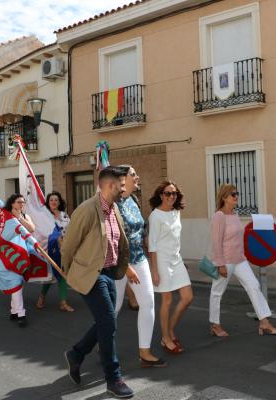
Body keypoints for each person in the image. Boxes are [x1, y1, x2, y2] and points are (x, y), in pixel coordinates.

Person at [61, 166, 134, 399]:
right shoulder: (86, 210)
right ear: (110, 185)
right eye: (122, 185)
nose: (124, 188)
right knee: (108, 323)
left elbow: (116, 242)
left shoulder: (114, 210)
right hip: (90, 274)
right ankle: (113, 379)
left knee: (106, 321)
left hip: (109, 272)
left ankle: (77, 354)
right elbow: (69, 245)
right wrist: (69, 273)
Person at [209, 184, 276, 337]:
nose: (236, 196)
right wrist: (220, 264)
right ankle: (215, 324)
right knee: (217, 292)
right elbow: (216, 242)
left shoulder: (234, 214)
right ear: (224, 197)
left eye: (237, 193)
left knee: (254, 286)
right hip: (225, 261)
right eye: (233, 194)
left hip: (240, 259)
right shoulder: (219, 216)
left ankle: (264, 322)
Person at [115, 165, 166, 368]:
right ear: (122, 180)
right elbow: (112, 238)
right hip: (119, 262)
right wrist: (125, 266)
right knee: (114, 307)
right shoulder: (112, 203)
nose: (137, 177)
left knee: (148, 303)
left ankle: (144, 352)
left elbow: (141, 230)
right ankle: (100, 342)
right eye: (133, 174)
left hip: (139, 257)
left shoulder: (134, 200)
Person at [148, 180, 193, 354]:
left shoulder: (176, 212)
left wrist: (182, 259)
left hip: (177, 259)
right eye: (167, 193)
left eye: (174, 193)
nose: (171, 196)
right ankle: (166, 338)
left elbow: (175, 238)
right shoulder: (155, 216)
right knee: (167, 300)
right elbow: (152, 245)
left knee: (187, 297)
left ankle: (170, 330)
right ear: (161, 195)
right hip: (162, 261)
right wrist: (154, 271)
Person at [37, 191, 74, 312]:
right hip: (48, 249)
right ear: (48, 202)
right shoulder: (44, 216)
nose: (54, 202)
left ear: (59, 202)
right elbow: (39, 232)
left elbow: (70, 230)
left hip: (62, 249)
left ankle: (63, 303)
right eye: (51, 200)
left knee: (62, 274)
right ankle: (42, 296)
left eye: (56, 200)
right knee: (50, 275)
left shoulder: (64, 215)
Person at [5, 193, 35, 328]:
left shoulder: (24, 216)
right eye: (18, 202)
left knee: (18, 281)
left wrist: (20, 219)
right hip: (10, 253)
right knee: (16, 281)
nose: (21, 204)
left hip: (23, 253)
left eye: (23, 202)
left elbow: (32, 229)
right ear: (12, 203)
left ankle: (14, 310)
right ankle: (21, 314)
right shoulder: (6, 216)